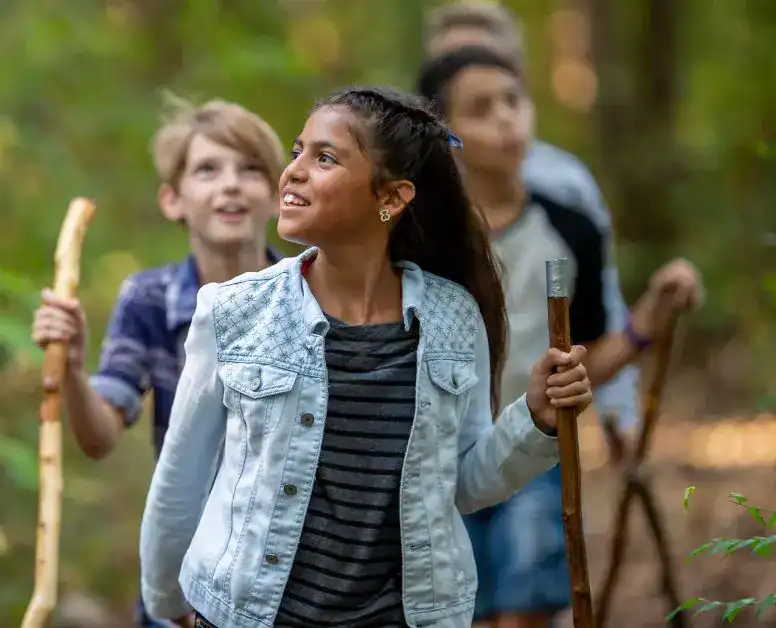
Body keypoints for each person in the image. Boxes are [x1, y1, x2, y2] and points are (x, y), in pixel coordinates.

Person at [139, 85, 596, 628]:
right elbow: (181, 477)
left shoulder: (452, 317)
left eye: (325, 157)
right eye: (297, 152)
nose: (294, 172)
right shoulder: (235, 311)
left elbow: (464, 483)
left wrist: (535, 418)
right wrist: (167, 603)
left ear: (391, 198)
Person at [416, 45, 703, 628]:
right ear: (444, 131)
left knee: (525, 610)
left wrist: (649, 317)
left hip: (536, 451)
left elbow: (588, 358)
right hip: (431, 459)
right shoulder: (418, 238)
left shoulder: (569, 229)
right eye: (481, 108)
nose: (505, 118)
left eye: (513, 101)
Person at [30, 97, 286, 628]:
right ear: (174, 200)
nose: (231, 184)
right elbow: (100, 436)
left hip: (286, 574)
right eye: (208, 170)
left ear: (279, 195)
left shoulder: (310, 298)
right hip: (183, 575)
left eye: (251, 169)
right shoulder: (149, 300)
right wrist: (74, 367)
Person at [424, 0, 643, 435]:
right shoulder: (413, 214)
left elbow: (600, 310)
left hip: (530, 436)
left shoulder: (566, 191)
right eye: (454, 63)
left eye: (509, 96)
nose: (503, 117)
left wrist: (620, 412)